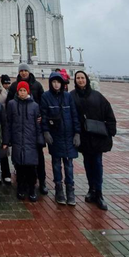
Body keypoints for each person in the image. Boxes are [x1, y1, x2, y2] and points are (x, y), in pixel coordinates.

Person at [71, 71, 116, 210]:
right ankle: (91, 189)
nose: (80, 80)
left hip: (97, 136)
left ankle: (99, 192)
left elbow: (108, 113)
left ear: (87, 79)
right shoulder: (72, 96)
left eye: (82, 78)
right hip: (84, 136)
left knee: (97, 163)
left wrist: (111, 130)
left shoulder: (97, 96)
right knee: (88, 164)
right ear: (75, 80)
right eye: (78, 78)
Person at [40, 72, 81, 206]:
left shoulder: (68, 97)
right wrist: (46, 131)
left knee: (69, 165)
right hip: (55, 136)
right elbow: (44, 116)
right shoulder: (46, 96)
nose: (56, 84)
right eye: (54, 82)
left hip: (68, 135)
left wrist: (77, 133)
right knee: (56, 163)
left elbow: (74, 115)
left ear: (62, 83)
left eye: (58, 82)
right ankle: (59, 189)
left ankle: (70, 190)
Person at [7, 63, 47, 195]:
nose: (23, 73)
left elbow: (43, 103)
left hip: (32, 130)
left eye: (25, 70)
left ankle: (41, 182)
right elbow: (9, 107)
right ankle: (22, 184)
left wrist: (41, 116)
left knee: (37, 159)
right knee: (20, 160)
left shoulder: (37, 85)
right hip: (19, 130)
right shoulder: (14, 86)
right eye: (21, 71)